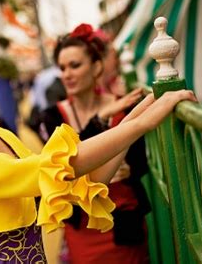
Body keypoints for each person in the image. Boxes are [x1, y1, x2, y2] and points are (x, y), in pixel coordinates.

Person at [0, 0, 197, 262]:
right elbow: (47, 170)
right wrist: (140, 124)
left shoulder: (0, 135)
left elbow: (77, 182)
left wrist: (137, 114)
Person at [38, 23, 149, 264]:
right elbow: (65, 169)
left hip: (124, 222)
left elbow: (143, 163)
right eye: (63, 68)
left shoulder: (125, 106)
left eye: (75, 65)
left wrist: (130, 169)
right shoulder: (53, 116)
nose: (67, 74)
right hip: (82, 227)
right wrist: (99, 120)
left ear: (96, 66)